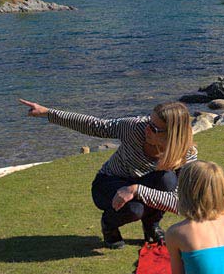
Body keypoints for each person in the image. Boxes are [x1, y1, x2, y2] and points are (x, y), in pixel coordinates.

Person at [19, 99, 196, 249]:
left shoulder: (186, 154)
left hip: (138, 186)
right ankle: (109, 225)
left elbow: (180, 204)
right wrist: (47, 112)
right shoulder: (134, 127)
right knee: (135, 209)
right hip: (109, 182)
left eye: (154, 129)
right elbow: (96, 125)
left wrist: (136, 190)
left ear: (173, 134)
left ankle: (151, 225)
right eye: (149, 122)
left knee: (167, 180)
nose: (147, 129)